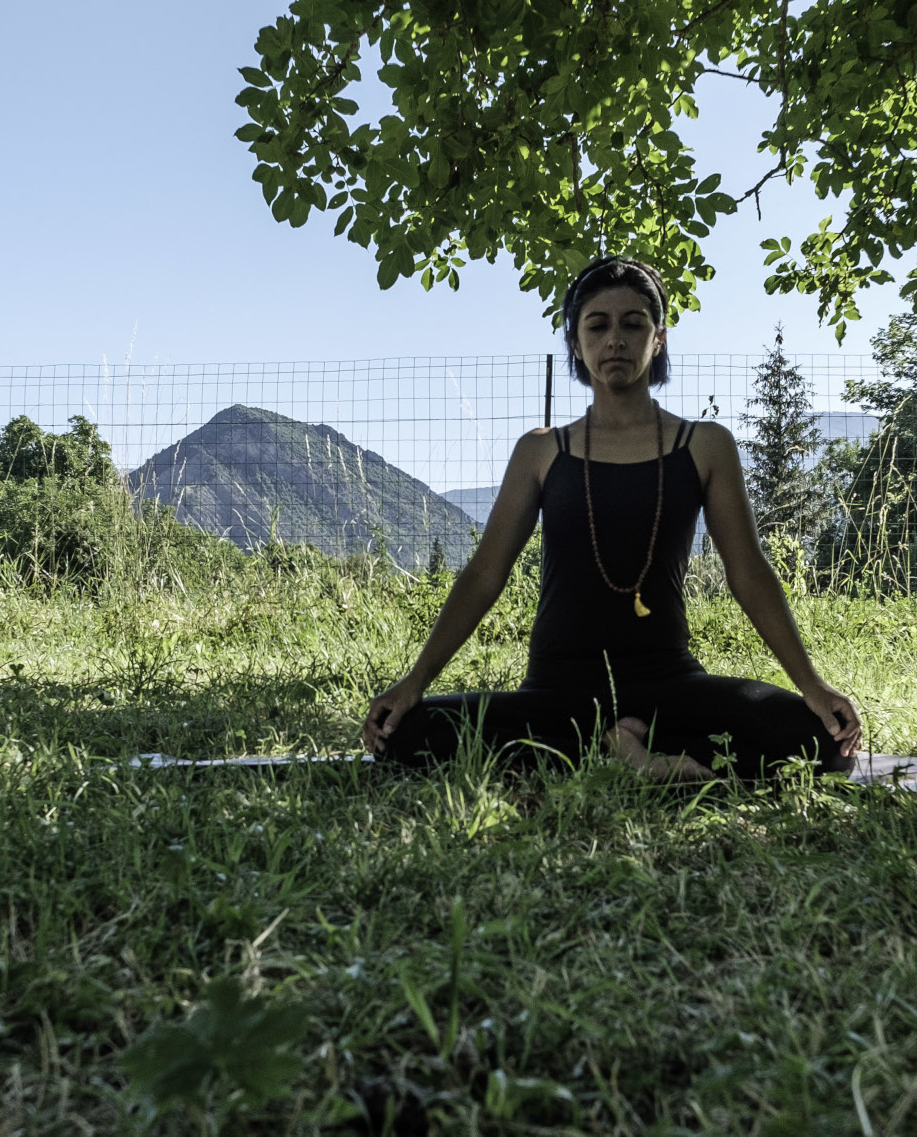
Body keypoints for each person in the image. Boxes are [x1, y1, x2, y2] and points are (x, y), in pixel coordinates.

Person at [362, 256, 862, 782]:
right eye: (597, 325)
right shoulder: (540, 452)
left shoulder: (705, 446)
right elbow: (485, 574)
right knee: (403, 736)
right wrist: (414, 681)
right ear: (576, 345)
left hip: (669, 687)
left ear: (659, 338)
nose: (615, 340)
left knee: (822, 745)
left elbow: (749, 572)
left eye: (633, 323)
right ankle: (630, 753)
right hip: (558, 692)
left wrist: (812, 684)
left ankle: (616, 750)